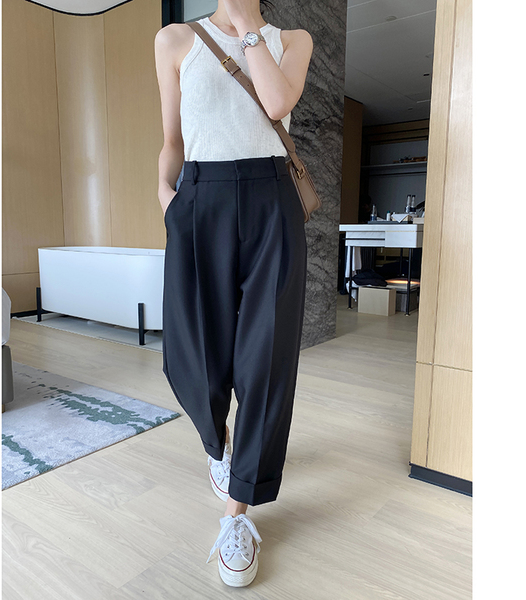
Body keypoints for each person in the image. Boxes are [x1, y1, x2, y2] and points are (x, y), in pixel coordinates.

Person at [154, 0, 313, 587]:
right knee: (192, 352)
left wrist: (248, 26)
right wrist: (167, 199)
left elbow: (275, 103)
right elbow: (173, 138)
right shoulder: (175, 40)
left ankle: (236, 514)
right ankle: (218, 441)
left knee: (265, 358)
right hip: (201, 199)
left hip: (273, 199)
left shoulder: (293, 40)